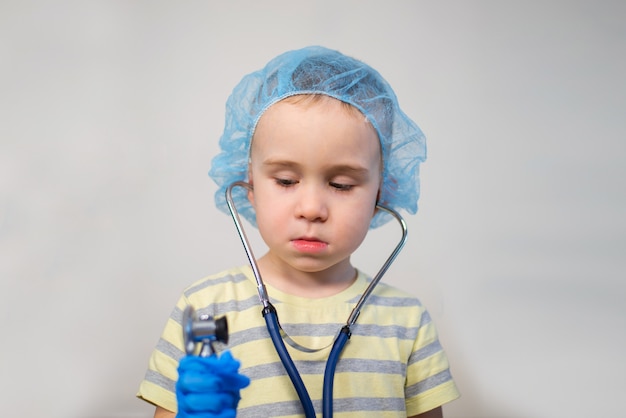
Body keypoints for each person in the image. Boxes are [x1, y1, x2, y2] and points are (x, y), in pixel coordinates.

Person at [138, 46, 460, 418]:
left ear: (381, 193)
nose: (311, 209)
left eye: (341, 184)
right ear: (250, 186)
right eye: (286, 180)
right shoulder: (205, 311)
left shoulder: (405, 322)